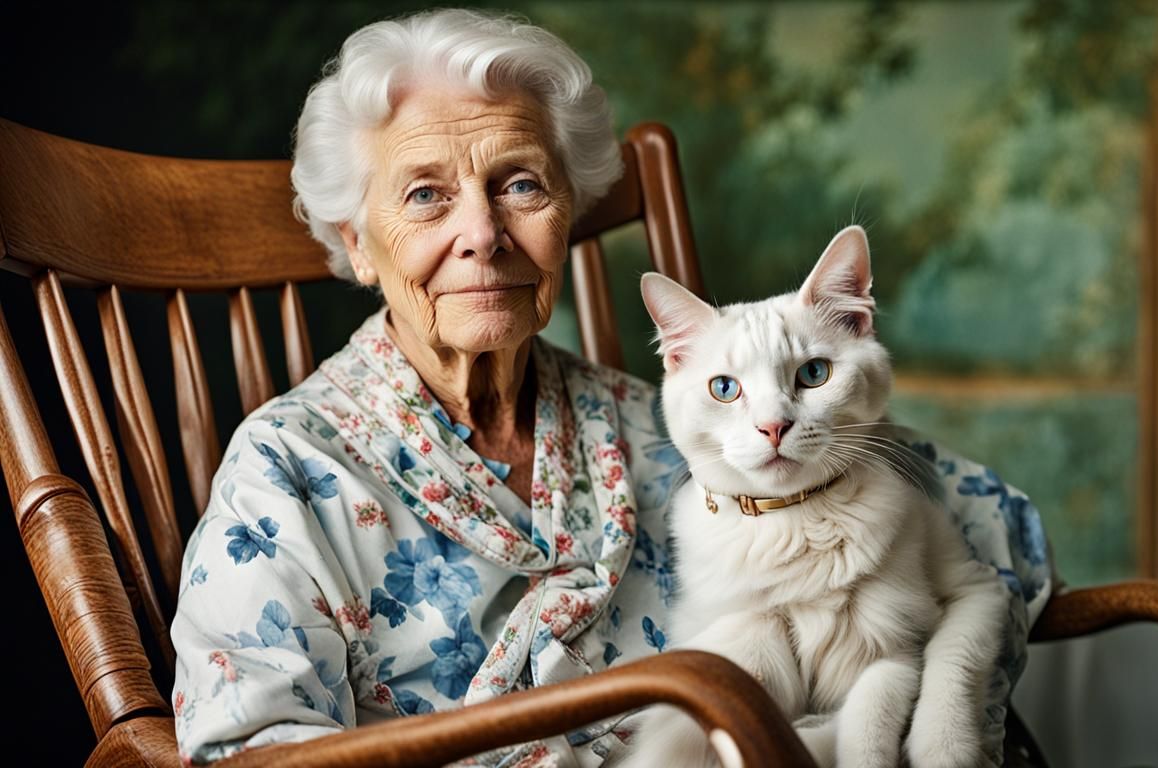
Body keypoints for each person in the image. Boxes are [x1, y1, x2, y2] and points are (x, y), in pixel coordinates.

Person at [171, 8, 1051, 767]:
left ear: (570, 213)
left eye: (520, 184)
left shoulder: (675, 421)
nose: (483, 233)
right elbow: (248, 749)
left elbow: (991, 532)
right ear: (358, 243)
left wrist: (945, 699)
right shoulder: (285, 474)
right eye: (427, 196)